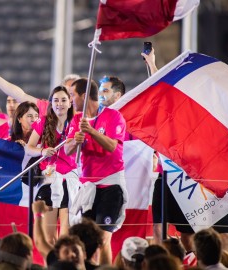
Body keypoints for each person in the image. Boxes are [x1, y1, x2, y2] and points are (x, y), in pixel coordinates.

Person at [65, 78, 127, 265]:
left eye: (72, 95)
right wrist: (76, 140)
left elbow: (112, 147)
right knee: (87, 241)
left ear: (84, 96)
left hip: (110, 186)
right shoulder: (76, 119)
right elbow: (67, 151)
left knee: (102, 239)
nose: (70, 100)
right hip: (88, 187)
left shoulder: (114, 116)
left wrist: (92, 132)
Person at [26, 85, 79, 244]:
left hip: (70, 181)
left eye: (64, 100)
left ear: (70, 103)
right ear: (51, 103)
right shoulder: (43, 122)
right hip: (49, 180)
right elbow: (29, 148)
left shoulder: (77, 122)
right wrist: (42, 151)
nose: (60, 104)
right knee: (49, 238)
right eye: (56, 100)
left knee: (66, 237)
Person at [0, 62, 80, 118]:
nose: (70, 97)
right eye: (67, 92)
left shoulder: (91, 116)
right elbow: (20, 96)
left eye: (73, 93)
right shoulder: (49, 109)